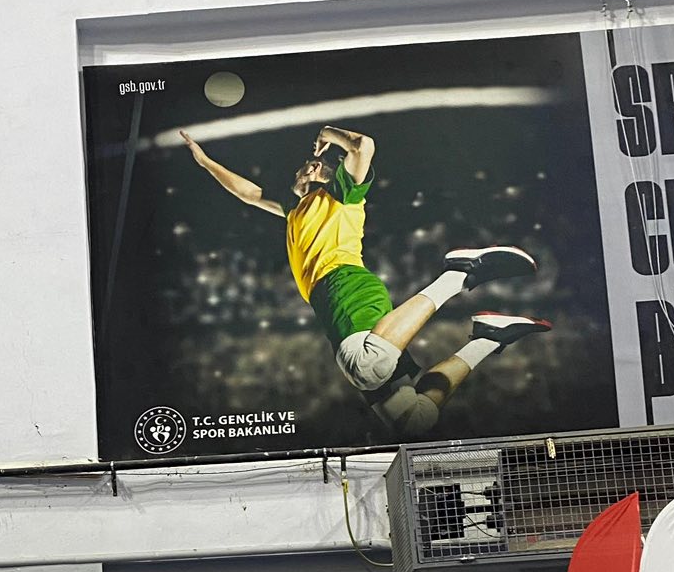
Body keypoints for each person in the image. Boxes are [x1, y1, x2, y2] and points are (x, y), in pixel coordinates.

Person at [181, 122, 548, 436]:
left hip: (345, 284)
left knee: (367, 367)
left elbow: (363, 146)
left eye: (308, 169)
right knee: (412, 420)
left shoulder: (338, 194)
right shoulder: (294, 208)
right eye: (301, 170)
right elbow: (248, 193)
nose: (302, 173)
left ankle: (459, 274)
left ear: (320, 173)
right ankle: (487, 339)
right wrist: (206, 162)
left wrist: (327, 133)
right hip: (332, 300)